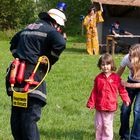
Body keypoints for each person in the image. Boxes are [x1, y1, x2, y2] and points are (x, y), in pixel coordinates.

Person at [5, 6, 67, 140]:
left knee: (17, 117)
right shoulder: (50, 30)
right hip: (32, 78)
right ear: (55, 23)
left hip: (16, 78)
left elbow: (13, 44)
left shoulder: (29, 26)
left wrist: (20, 57)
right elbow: (61, 43)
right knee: (29, 119)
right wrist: (48, 60)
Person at [86, 53, 130, 140]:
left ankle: (107, 138)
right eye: (103, 64)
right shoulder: (98, 78)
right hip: (99, 106)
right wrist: (91, 103)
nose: (105, 66)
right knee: (98, 125)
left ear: (112, 65)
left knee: (107, 125)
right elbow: (94, 91)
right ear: (100, 65)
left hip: (110, 107)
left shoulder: (116, 78)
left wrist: (126, 99)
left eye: (108, 64)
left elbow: (122, 90)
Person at [117, 43, 140, 140]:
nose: (129, 57)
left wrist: (126, 84)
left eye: (132, 56)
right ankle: (124, 136)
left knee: (138, 111)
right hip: (130, 83)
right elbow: (117, 74)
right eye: (129, 54)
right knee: (125, 109)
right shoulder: (126, 58)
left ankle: (135, 137)